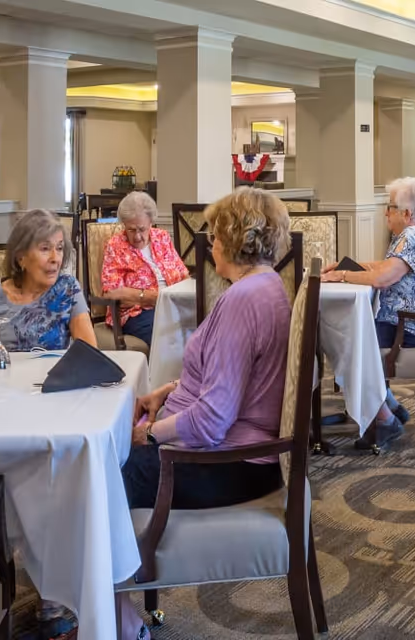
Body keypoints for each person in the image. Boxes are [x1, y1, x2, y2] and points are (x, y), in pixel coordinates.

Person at [116, 187, 293, 638]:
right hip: (241, 452)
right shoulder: (267, 286)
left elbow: (212, 422)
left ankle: (117, 617)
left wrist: (151, 434)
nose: (209, 242)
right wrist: (169, 390)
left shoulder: (242, 300)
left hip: (228, 462)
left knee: (98, 473)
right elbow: (231, 379)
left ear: (234, 238)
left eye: (213, 233)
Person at [321, 176, 415, 447]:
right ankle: (386, 402)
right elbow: (387, 266)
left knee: (348, 340)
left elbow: (382, 279)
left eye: (389, 207)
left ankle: (384, 419)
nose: (385, 212)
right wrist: (354, 268)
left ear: (406, 213)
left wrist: (341, 274)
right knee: (351, 332)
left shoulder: (411, 237)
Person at [0, 209, 96, 352]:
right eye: (45, 248)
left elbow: (89, 355)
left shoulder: (67, 289)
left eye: (59, 248)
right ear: (20, 257)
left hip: (54, 374)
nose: (55, 258)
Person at [101, 191, 189, 346]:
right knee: (169, 337)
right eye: (131, 229)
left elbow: (183, 276)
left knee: (204, 329)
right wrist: (152, 298)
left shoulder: (162, 238)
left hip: (173, 306)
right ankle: (163, 371)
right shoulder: (115, 246)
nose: (137, 236)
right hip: (138, 313)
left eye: (141, 229)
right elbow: (112, 292)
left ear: (151, 223)